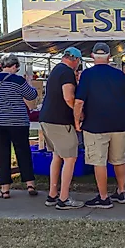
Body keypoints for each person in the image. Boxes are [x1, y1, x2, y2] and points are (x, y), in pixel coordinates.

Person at [75, 43, 125, 209]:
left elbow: (79, 101)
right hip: (119, 124)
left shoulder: (87, 75)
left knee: (99, 161)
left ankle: (103, 198)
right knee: (119, 159)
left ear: (93, 56)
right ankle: (121, 191)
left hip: (95, 125)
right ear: (109, 57)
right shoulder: (119, 75)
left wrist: (76, 121)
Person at [0, 54, 38, 199]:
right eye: (16, 68)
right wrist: (29, 82)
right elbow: (31, 95)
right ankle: (30, 185)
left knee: (2, 154)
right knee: (23, 151)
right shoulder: (18, 80)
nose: (16, 70)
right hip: (18, 122)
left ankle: (4, 189)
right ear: (12, 66)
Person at [40, 48, 84, 210]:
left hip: (47, 118)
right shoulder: (67, 73)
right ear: (76, 60)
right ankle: (64, 198)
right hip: (60, 121)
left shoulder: (56, 70)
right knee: (70, 158)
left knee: (57, 156)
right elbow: (68, 97)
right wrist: (79, 114)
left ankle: (52, 194)